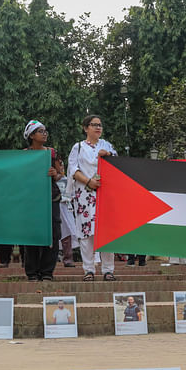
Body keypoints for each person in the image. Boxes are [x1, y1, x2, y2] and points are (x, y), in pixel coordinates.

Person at [67, 115, 117, 281]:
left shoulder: (106, 145)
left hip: (105, 194)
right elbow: (73, 169)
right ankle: (88, 269)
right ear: (85, 128)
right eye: (94, 125)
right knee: (86, 233)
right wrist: (89, 181)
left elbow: (118, 165)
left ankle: (108, 269)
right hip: (85, 195)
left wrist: (108, 154)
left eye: (100, 125)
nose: (98, 128)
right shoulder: (78, 147)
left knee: (107, 232)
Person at [23, 120, 62, 281]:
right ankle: (32, 272)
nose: (44, 134)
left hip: (51, 198)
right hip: (31, 200)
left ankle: (47, 272)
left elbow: (61, 173)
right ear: (31, 135)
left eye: (45, 131)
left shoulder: (52, 153)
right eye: (40, 131)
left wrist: (55, 174)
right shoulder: (24, 154)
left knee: (53, 234)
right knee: (31, 234)